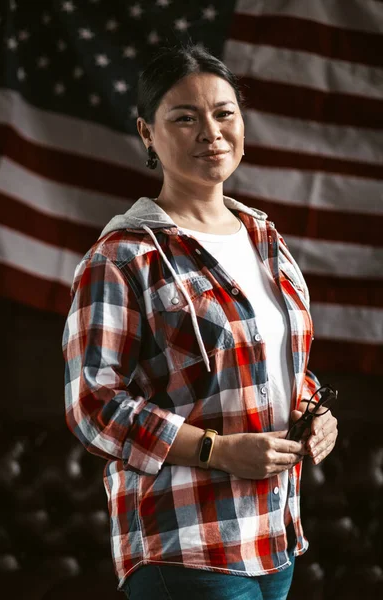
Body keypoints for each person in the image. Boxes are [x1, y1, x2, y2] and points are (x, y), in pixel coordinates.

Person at [62, 43, 338, 600]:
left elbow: (277, 363)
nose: (209, 131)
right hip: (184, 542)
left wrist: (315, 410)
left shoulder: (265, 239)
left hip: (272, 534)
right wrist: (217, 449)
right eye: (184, 118)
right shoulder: (122, 257)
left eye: (223, 113)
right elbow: (93, 404)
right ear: (147, 133)